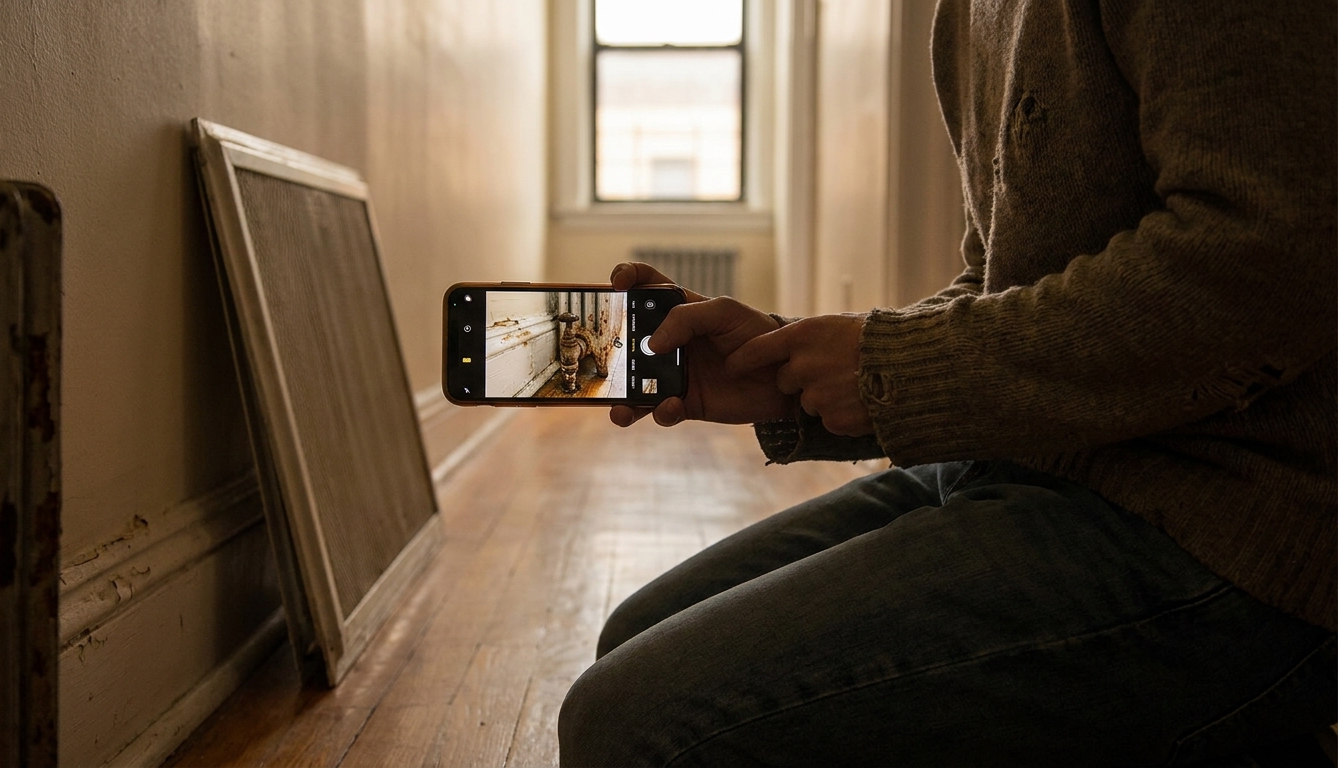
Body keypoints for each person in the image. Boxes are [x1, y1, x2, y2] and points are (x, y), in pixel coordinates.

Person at [557, 0, 1337, 765]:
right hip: (1031, 458)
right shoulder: (965, 15)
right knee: (631, 638)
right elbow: (995, 283)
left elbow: (1268, 257)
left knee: (631, 727)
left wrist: (889, 367)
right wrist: (790, 373)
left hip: (1236, 522)